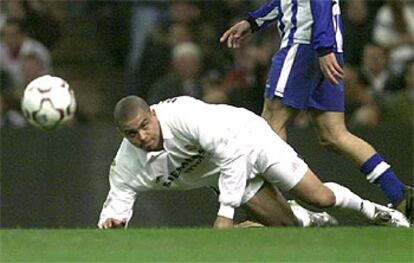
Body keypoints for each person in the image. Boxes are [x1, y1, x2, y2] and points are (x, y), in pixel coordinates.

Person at [219, 0, 413, 222]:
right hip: (326, 47)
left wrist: (323, 47)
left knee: (270, 127)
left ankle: (272, 212)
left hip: (304, 46)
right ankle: (400, 195)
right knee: (334, 134)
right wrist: (253, 22)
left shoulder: (316, 44)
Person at [98, 96, 410, 229]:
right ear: (121, 134)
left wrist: (225, 214)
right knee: (287, 226)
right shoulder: (127, 164)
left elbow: (232, 155)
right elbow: (118, 201)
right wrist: (113, 223)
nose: (141, 136)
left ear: (153, 114)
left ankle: (373, 210)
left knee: (321, 198)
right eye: (131, 133)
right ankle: (302, 217)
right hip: (225, 174)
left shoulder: (185, 115)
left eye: (144, 125)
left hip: (249, 140)